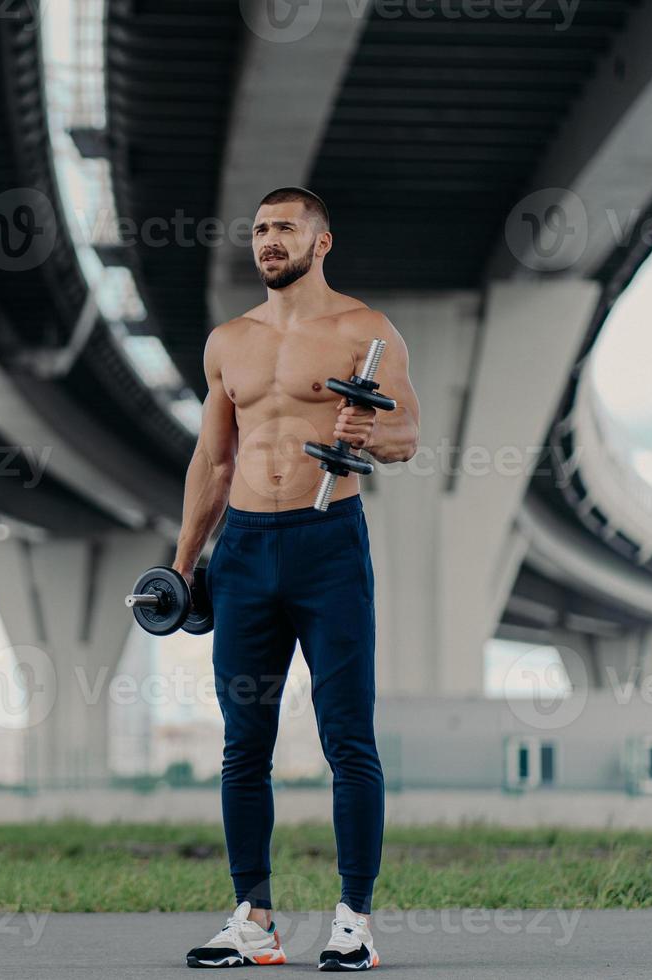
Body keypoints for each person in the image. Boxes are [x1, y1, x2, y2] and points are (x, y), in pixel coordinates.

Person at [180, 187, 420, 970]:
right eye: (259, 231)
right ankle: (253, 920)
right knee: (243, 745)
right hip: (245, 551)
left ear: (321, 242)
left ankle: (355, 920)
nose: (268, 241)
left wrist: (370, 430)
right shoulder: (229, 342)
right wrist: (183, 567)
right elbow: (214, 461)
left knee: (347, 737)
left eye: (284, 228)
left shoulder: (365, 331)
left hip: (328, 545)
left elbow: (408, 434)